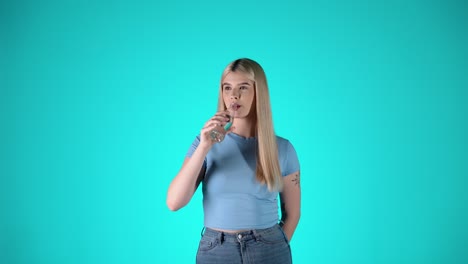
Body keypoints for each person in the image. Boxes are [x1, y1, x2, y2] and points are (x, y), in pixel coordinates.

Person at [166, 58, 301, 264]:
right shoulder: (204, 144)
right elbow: (174, 202)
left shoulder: (283, 149)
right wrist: (204, 146)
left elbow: (293, 214)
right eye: (227, 88)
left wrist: (274, 246)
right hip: (217, 250)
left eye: (243, 87)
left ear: (259, 92)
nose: (234, 95)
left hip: (269, 249)